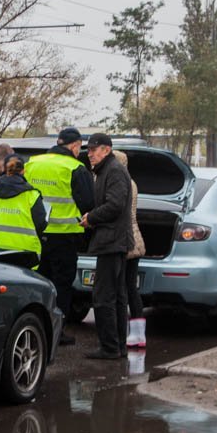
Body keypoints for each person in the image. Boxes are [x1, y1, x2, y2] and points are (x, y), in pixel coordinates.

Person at [24, 127, 95, 345]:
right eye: (79, 148)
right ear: (75, 146)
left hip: (36, 235)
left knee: (39, 282)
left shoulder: (33, 163)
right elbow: (88, 203)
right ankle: (57, 331)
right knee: (62, 284)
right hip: (64, 237)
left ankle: (38, 327)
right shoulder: (76, 167)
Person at [79, 132, 133, 359]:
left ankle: (110, 347)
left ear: (107, 150)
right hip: (113, 240)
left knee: (104, 297)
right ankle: (117, 346)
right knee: (117, 297)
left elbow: (115, 205)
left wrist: (91, 218)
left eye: (94, 149)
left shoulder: (114, 172)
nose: (89, 154)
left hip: (112, 242)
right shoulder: (106, 171)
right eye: (88, 150)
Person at [0, 153, 46, 267]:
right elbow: (41, 224)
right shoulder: (31, 195)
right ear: (23, 171)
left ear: (4, 169)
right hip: (24, 255)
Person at [115, 150, 147, 348]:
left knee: (124, 289)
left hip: (127, 240)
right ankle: (137, 335)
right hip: (135, 239)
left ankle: (130, 334)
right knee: (130, 288)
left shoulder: (123, 183)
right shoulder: (131, 182)